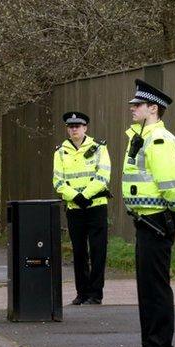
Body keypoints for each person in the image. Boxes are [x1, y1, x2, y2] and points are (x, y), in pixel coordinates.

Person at [122, 79, 175, 347]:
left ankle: (159, 346)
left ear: (153, 109)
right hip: (146, 221)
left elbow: (171, 182)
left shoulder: (160, 139)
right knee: (148, 289)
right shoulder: (143, 138)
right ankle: (150, 344)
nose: (133, 108)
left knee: (156, 289)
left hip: (156, 222)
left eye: (138, 104)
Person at [52, 111, 112, 305]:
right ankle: (82, 293)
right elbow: (58, 182)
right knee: (79, 251)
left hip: (96, 207)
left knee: (97, 251)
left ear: (85, 128)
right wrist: (77, 197)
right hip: (75, 209)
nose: (74, 129)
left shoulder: (99, 148)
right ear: (67, 129)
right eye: (71, 126)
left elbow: (103, 176)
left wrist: (86, 195)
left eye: (78, 126)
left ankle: (96, 294)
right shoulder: (60, 152)